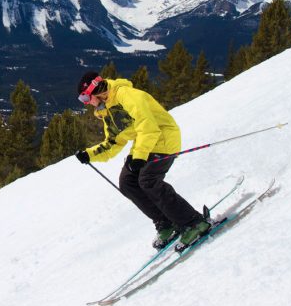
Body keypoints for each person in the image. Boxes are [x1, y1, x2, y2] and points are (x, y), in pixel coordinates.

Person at [74, 71, 211, 250]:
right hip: (145, 144)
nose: (86, 104)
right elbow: (114, 141)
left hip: (163, 139)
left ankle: (194, 223)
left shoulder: (127, 95)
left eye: (85, 98)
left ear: (95, 90)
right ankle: (166, 223)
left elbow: (149, 127)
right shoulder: (106, 109)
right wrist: (89, 154)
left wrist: (138, 157)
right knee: (127, 182)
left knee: (148, 180)